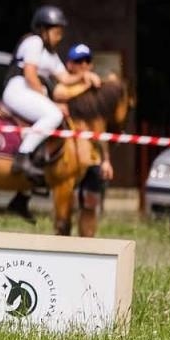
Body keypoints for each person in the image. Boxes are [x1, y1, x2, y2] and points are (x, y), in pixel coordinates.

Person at [2, 5, 97, 183]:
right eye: (57, 32)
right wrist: (50, 101)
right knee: (54, 114)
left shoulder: (51, 54)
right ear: (43, 29)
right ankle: (22, 156)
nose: (59, 37)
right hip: (17, 89)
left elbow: (66, 78)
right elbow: (30, 75)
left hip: (28, 92)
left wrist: (85, 76)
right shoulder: (34, 42)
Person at [54, 42, 113, 230]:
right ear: (69, 65)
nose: (84, 65)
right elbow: (59, 94)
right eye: (79, 61)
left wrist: (106, 160)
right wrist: (85, 83)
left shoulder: (96, 91)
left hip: (92, 160)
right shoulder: (64, 84)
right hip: (68, 160)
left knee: (90, 207)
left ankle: (88, 250)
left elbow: (100, 127)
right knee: (65, 209)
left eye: (87, 61)